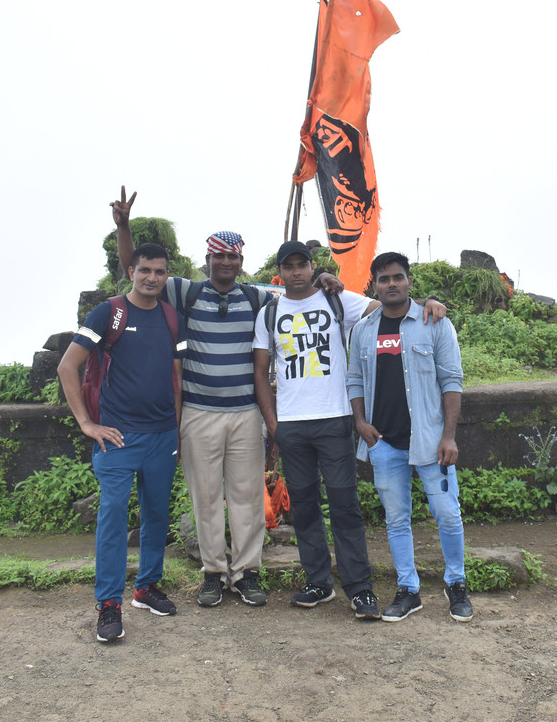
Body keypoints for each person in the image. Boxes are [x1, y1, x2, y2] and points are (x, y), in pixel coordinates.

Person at [111, 188, 342, 610]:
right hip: (199, 413)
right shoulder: (186, 293)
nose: (226, 263)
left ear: (241, 261)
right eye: (219, 256)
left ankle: (247, 572)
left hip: (245, 414)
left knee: (248, 494)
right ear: (208, 260)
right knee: (204, 495)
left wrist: (326, 279)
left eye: (233, 257)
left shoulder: (257, 299)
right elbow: (134, 268)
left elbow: (299, 293)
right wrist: (124, 226)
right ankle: (214, 572)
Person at [253, 241, 446, 620]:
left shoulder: (337, 300)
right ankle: (318, 582)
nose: (296, 272)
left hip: (334, 419)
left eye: (303, 265)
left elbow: (389, 306)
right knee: (305, 508)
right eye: (288, 266)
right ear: (280, 271)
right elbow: (261, 372)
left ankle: (360, 590)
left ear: (313, 267)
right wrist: (274, 424)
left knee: (345, 507)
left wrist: (428, 303)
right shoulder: (270, 312)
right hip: (291, 425)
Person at [57, 242, 186, 643]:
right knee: (112, 515)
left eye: (159, 272)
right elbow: (68, 366)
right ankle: (109, 604)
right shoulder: (109, 313)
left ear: (167, 275)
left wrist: (176, 430)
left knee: (156, 515)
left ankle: (146, 588)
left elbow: (176, 378)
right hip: (117, 435)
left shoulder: (170, 317)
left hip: (162, 434)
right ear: (132, 271)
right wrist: (87, 424)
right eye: (144, 270)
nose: (151, 278)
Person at [346, 251, 473, 623]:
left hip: (431, 441)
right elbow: (355, 379)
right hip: (383, 442)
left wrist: (449, 436)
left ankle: (456, 584)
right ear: (374, 285)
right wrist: (360, 423)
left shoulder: (434, 323)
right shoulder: (364, 330)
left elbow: (452, 381)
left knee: (448, 515)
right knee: (396, 518)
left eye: (397, 277)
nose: (391, 284)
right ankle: (408, 590)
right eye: (383, 279)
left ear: (409, 282)